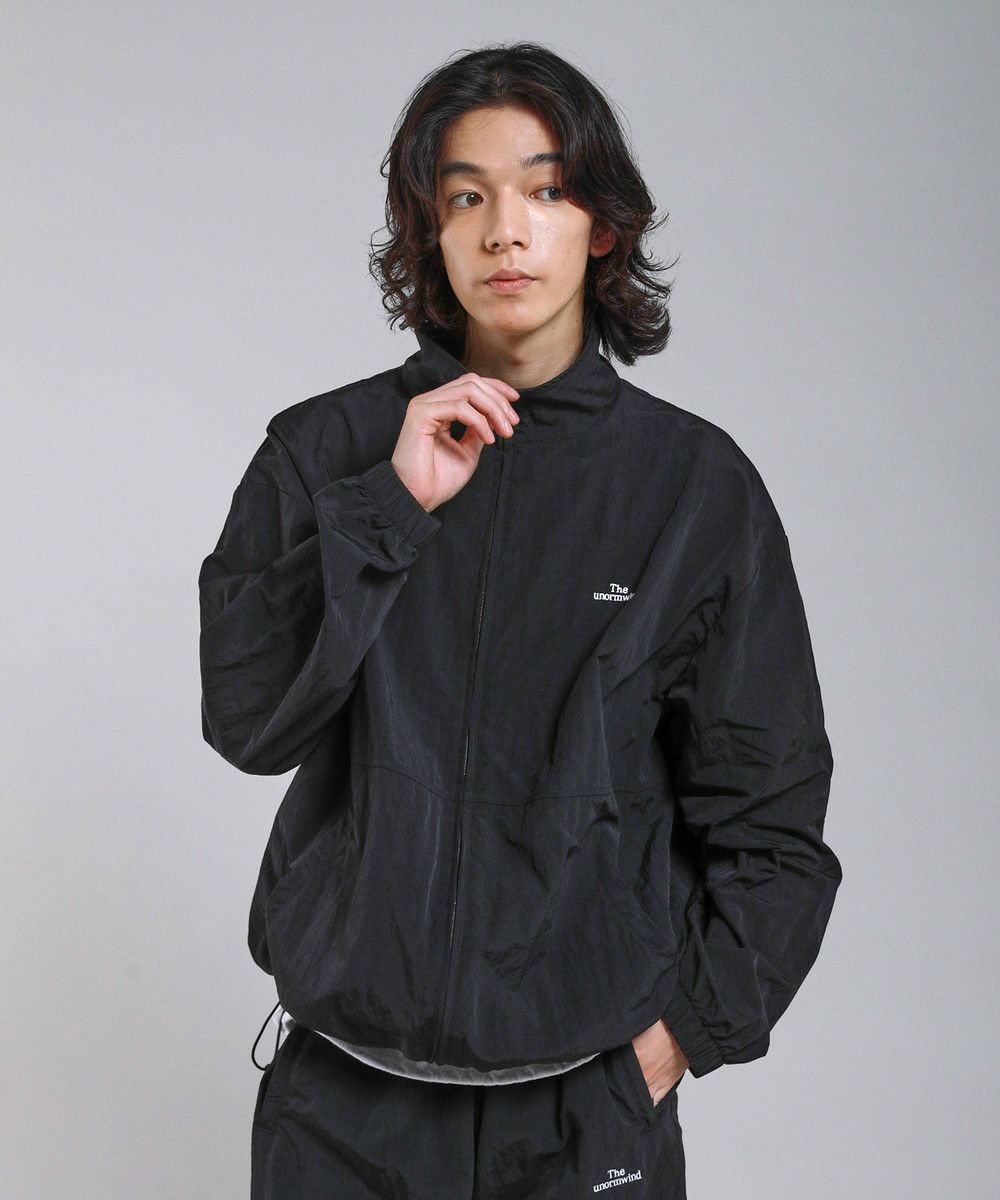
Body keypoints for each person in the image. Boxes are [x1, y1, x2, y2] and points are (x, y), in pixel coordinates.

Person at [199, 41, 843, 1200]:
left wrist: (674, 1042)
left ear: (600, 226)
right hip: (341, 1109)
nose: (505, 231)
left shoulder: (693, 490)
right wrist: (388, 508)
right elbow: (248, 722)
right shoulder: (321, 453)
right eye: (466, 198)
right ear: (429, 232)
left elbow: (772, 822)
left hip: (580, 1115)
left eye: (544, 191)